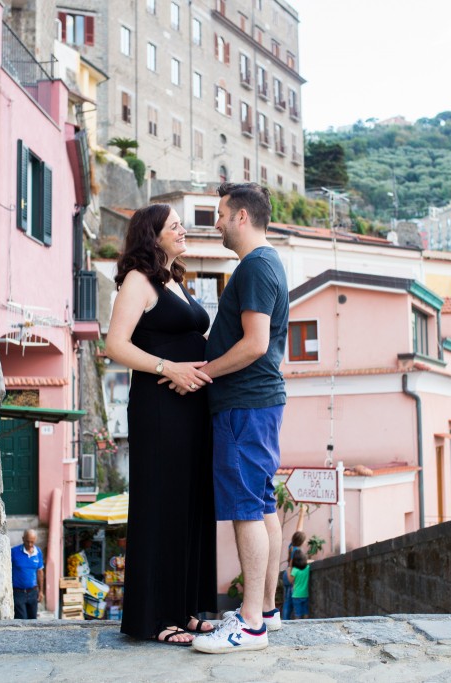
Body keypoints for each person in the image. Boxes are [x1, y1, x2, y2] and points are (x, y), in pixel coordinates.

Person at [105, 203, 217, 646]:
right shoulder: (139, 280)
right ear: (153, 236)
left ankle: (183, 608)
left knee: (187, 504)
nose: (183, 230)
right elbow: (115, 345)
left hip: (190, 409)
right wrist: (167, 368)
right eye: (175, 225)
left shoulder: (174, 280)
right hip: (159, 407)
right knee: (160, 505)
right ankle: (153, 618)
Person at [190, 182, 289, 655]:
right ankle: (265, 610)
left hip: (244, 405)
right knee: (262, 505)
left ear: (242, 217)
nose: (217, 223)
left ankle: (250, 626)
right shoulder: (268, 263)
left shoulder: (254, 267)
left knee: (247, 508)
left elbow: (255, 344)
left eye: (221, 214)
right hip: (257, 404)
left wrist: (203, 373)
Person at [11, 529, 45, 619]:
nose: (29, 544)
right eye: (27, 541)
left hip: (33, 592)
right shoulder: (14, 552)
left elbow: (40, 572)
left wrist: (41, 591)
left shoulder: (38, 552)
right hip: (18, 593)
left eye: (32, 542)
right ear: (23, 539)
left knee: (33, 620)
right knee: (22, 620)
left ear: (35, 540)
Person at [281, 512, 307, 620]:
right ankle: (286, 620)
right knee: (289, 600)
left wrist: (302, 513)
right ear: (301, 542)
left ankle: (285, 619)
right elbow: (293, 562)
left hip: (287, 573)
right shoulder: (297, 551)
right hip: (290, 575)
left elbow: (298, 530)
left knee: (287, 599)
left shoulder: (291, 546)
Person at [287, 549, 310, 619]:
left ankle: (298, 624)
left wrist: (289, 569)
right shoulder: (307, 568)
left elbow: (290, 581)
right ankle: (306, 624)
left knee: (297, 613)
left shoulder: (295, 570)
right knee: (306, 612)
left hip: (296, 595)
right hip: (305, 594)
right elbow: (309, 562)